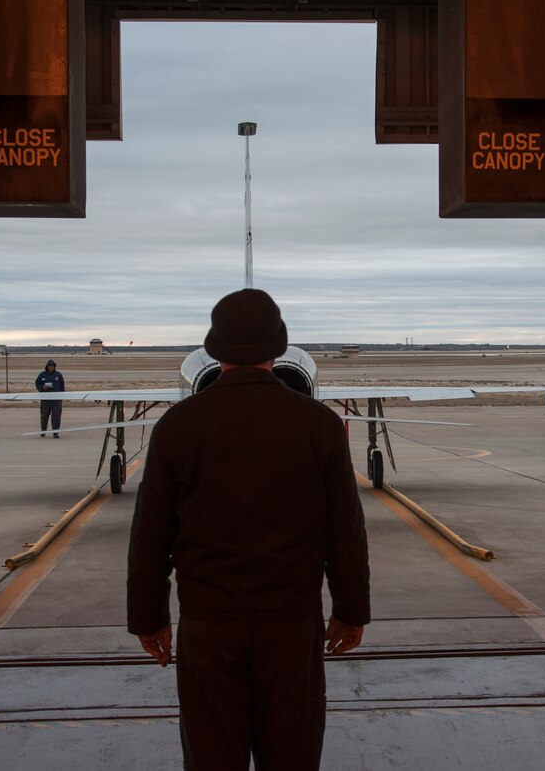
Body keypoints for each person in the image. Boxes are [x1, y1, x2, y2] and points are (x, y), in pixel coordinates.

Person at [127, 289, 370, 771]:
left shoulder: (177, 425)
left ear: (213, 351)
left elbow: (150, 535)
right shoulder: (318, 424)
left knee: (212, 754)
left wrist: (148, 617)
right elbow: (345, 529)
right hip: (292, 624)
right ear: (278, 349)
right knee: (292, 752)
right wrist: (350, 610)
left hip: (208, 626)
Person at [35, 359, 65, 438]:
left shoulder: (58, 375)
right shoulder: (42, 375)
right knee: (44, 416)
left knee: (56, 416)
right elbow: (37, 385)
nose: (51, 367)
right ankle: (43, 430)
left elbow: (62, 386)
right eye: (50, 366)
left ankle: (55, 432)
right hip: (45, 400)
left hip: (56, 400)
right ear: (47, 366)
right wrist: (43, 387)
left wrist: (62, 396)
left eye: (53, 366)